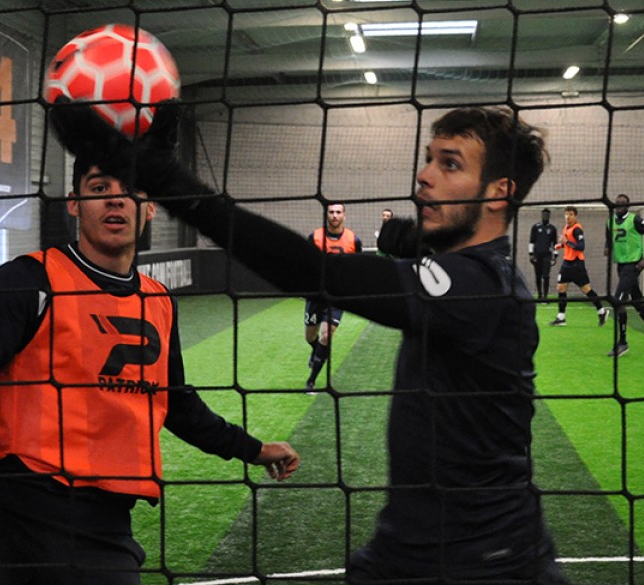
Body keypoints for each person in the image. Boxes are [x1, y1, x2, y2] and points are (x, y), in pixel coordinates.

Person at [50, 103, 572, 584]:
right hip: (408, 549)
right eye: (429, 158)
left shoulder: (480, 286)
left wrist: (167, 181)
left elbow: (315, 272)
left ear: (500, 192)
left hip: (486, 561)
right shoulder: (471, 274)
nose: (425, 174)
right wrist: (414, 242)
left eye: (450, 164)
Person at [0, 153, 300, 585]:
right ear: (75, 203)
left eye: (130, 192)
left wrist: (253, 449)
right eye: (99, 190)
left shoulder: (158, 301)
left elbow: (178, 406)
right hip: (7, 510)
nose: (115, 202)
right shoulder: (32, 279)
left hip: (102, 529)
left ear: (150, 207)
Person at [305, 203, 363, 391]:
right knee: (310, 337)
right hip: (315, 295)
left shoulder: (354, 240)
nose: (335, 215)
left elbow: (358, 267)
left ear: (344, 215)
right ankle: (317, 354)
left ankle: (311, 381)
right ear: (326, 215)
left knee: (326, 336)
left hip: (337, 296)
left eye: (338, 212)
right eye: (331, 212)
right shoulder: (314, 237)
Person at [604, 193, 644, 357]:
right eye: (617, 203)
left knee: (618, 301)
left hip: (633, 265)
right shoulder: (610, 222)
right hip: (621, 265)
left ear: (628, 206)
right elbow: (608, 241)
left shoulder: (635, 220)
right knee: (637, 301)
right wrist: (607, 248)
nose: (619, 206)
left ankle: (622, 342)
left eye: (622, 204)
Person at [550, 206, 609, 327]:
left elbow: (581, 246)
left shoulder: (577, 229)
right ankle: (561, 318)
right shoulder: (566, 227)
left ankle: (602, 311)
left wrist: (566, 242)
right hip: (567, 263)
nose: (568, 217)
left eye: (571, 214)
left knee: (586, 289)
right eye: (566, 214)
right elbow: (569, 244)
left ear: (576, 216)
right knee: (560, 288)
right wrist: (560, 246)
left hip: (577, 264)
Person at [528, 208, 560, 300]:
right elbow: (531, 241)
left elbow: (555, 243)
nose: (545, 216)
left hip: (547, 255)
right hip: (537, 255)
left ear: (549, 216)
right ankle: (539, 295)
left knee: (546, 276)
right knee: (538, 275)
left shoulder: (552, 229)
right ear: (541, 215)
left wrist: (555, 256)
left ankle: (545, 296)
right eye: (544, 215)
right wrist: (531, 254)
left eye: (547, 215)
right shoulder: (535, 227)